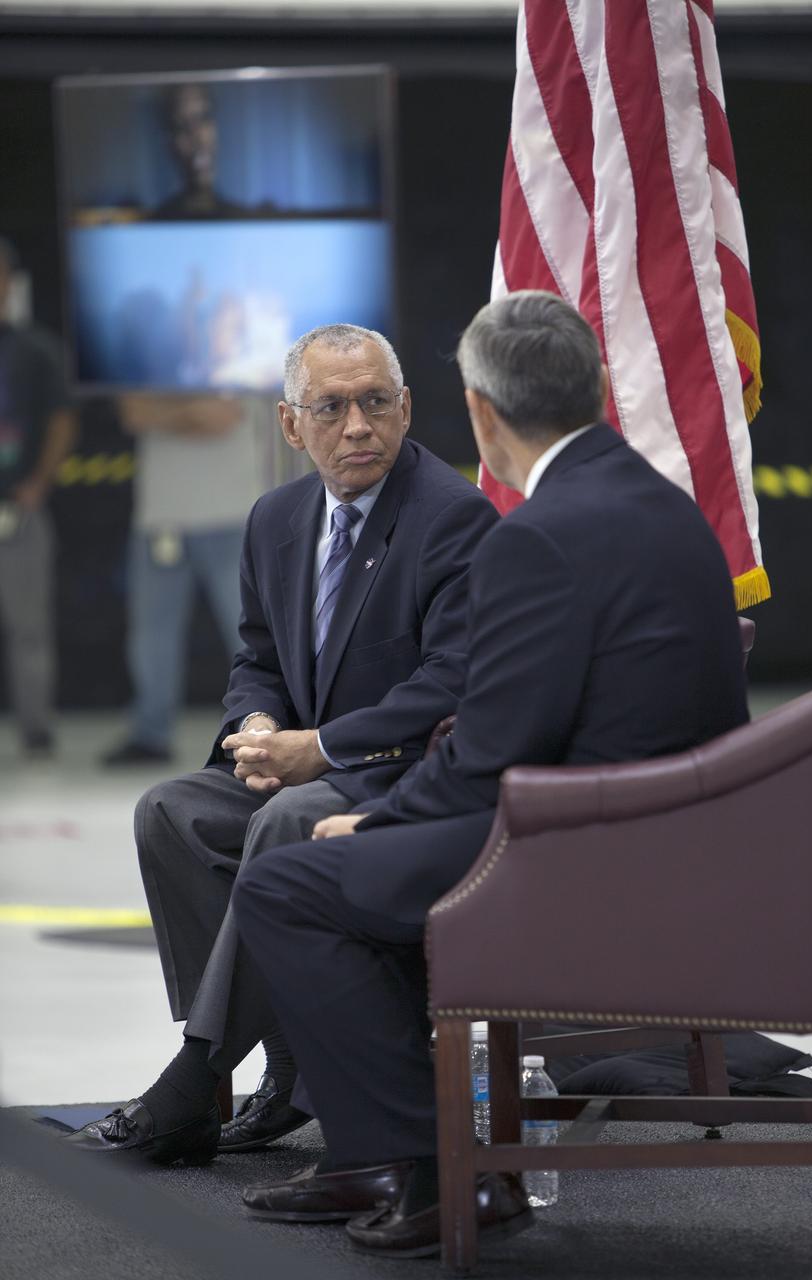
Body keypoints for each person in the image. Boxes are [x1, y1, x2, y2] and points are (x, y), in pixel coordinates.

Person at [222, 291, 751, 1258]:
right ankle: (371, 1154)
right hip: (665, 840)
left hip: (575, 854)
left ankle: (426, 1168)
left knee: (289, 882)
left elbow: (485, 753)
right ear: (597, 390)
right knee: (317, 862)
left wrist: (378, 827)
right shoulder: (666, 510)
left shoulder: (535, 536)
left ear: (474, 412)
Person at [67, 323, 498, 1159]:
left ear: (406, 409)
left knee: (286, 820)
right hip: (305, 766)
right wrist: (258, 728)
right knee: (171, 810)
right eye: (331, 408)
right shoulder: (275, 519)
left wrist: (321, 748)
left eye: (375, 403)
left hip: (403, 782)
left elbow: (450, 684)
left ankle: (197, 1073)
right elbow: (257, 659)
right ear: (290, 425)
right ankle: (285, 1058)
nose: (358, 427)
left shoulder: (452, 518)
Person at [101, 394, 267, 765]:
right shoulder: (150, 357)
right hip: (159, 520)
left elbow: (222, 417)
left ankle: (270, 725)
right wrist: (190, 415)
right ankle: (150, 733)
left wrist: (163, 414)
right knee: (151, 636)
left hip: (230, 516)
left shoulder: (231, 350)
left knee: (249, 633)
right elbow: (133, 412)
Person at [0, 237, 75, 755]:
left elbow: (61, 421)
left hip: (17, 509)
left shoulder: (35, 349)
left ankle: (34, 728)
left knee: (29, 626)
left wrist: (37, 484)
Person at [148, 83, 249, 222]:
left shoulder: (243, 222)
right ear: (169, 142)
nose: (197, 137)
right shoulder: (157, 225)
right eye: (181, 126)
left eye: (203, 118)